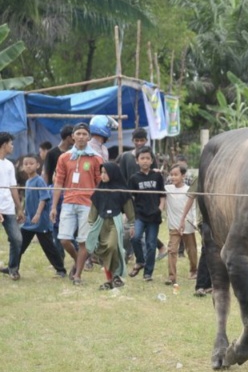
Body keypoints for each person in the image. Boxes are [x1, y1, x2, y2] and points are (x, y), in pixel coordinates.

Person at [50, 123, 103, 285]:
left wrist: (98, 205)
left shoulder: (96, 158)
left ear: (89, 137)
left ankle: (78, 275)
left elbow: (99, 184)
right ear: (72, 136)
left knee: (82, 241)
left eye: (84, 134)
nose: (81, 137)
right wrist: (53, 206)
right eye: (78, 133)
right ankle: (77, 260)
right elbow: (58, 182)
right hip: (68, 202)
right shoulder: (64, 157)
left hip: (87, 204)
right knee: (64, 239)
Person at [16, 155, 67, 279]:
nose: (28, 166)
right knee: (19, 245)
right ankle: (13, 267)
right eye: (26, 164)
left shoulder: (39, 180)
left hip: (41, 222)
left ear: (37, 165)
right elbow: (28, 200)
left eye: (31, 163)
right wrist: (22, 212)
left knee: (48, 247)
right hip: (29, 222)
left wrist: (38, 214)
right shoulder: (28, 181)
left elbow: (43, 198)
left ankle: (61, 270)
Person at [86, 162, 135, 290]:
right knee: (104, 250)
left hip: (115, 222)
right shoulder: (98, 191)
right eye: (101, 172)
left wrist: (132, 225)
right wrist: (92, 226)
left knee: (112, 246)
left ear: (113, 173)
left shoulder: (121, 191)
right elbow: (93, 213)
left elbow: (130, 212)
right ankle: (110, 280)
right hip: (101, 223)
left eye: (106, 172)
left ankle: (117, 276)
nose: (103, 175)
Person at [127, 146, 166, 282]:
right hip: (140, 215)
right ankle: (140, 261)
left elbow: (162, 195)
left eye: (147, 158)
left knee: (151, 244)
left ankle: (148, 273)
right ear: (137, 161)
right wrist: (131, 216)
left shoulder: (157, 176)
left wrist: (160, 209)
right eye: (142, 158)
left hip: (154, 216)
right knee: (135, 237)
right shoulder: (134, 178)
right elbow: (130, 199)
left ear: (152, 160)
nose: (145, 161)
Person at [165, 163, 198, 286]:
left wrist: (194, 221)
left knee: (192, 250)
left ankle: (194, 270)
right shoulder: (167, 189)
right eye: (171, 175)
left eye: (176, 175)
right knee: (172, 250)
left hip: (187, 225)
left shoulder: (188, 190)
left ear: (183, 175)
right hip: (174, 225)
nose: (173, 177)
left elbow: (193, 207)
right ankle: (172, 276)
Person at [0, 133, 24, 280]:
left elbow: (13, 187)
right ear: (3, 144)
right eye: (11, 143)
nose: (12, 146)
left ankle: (12, 268)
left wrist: (19, 207)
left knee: (17, 239)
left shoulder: (9, 164)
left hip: (8, 208)